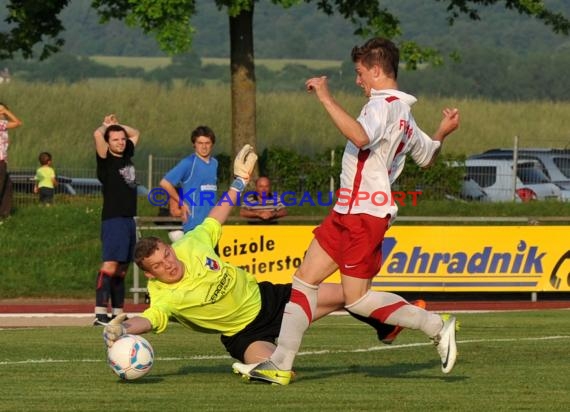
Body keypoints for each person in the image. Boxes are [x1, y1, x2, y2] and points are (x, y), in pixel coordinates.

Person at [233, 37, 461, 385]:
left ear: (376, 70)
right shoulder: (404, 112)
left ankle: (437, 325)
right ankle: (280, 363)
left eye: (359, 73)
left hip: (364, 214)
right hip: (348, 211)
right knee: (303, 281)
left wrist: (325, 96)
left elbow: (359, 136)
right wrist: (442, 132)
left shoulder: (381, 105)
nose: (358, 81)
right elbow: (427, 157)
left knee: (358, 301)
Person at [102, 146, 412, 365]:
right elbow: (150, 320)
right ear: (151, 275)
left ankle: (392, 322)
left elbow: (217, 215)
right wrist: (123, 329)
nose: (168, 264)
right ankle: (271, 359)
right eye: (158, 266)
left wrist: (239, 182)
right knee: (275, 368)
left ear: (170, 248)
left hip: (270, 299)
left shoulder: (192, 244)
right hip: (243, 335)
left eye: (166, 255)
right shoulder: (163, 296)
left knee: (351, 294)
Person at [93, 114, 140, 324]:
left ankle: (118, 312)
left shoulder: (127, 154)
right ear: (108, 143)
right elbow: (97, 135)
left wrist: (119, 126)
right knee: (110, 265)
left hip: (129, 219)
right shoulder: (105, 160)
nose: (121, 142)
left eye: (122, 139)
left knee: (122, 268)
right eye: (115, 139)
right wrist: (107, 127)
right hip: (114, 219)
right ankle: (100, 314)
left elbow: (135, 133)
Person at [159, 125, 218, 241]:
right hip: (194, 225)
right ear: (194, 144)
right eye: (200, 143)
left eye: (207, 143)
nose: (204, 147)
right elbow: (165, 183)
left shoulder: (214, 163)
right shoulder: (188, 163)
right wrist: (181, 202)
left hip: (212, 224)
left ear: (212, 144)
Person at [0, 102, 22, 218]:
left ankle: (4, 213)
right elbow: (18, 122)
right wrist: (6, 111)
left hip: (2, 160)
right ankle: (3, 213)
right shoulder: (1, 123)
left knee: (7, 185)